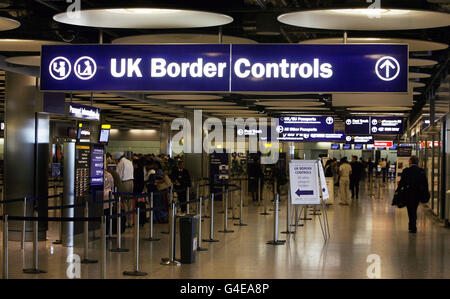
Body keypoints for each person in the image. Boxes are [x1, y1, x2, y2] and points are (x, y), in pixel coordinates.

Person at [396, 156, 429, 233]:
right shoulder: (421, 171)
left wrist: (397, 191)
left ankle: (412, 225)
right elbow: (425, 183)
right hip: (417, 193)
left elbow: (402, 183)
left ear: (411, 161)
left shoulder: (406, 171)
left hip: (408, 193)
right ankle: (413, 224)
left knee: (410, 209)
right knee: (414, 208)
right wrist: (426, 192)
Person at [115, 152, 134, 227]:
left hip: (124, 183)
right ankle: (130, 221)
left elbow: (118, 176)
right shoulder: (129, 162)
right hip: (131, 182)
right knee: (130, 203)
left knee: (124, 202)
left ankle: (125, 222)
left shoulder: (120, 163)